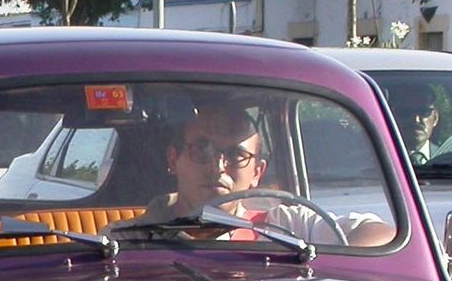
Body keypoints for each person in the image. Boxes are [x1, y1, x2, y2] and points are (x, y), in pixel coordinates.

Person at [135, 101, 391, 246]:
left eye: (236, 155)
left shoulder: (286, 227)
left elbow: (380, 233)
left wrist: (328, 272)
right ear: (173, 159)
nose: (218, 167)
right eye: (202, 150)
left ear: (257, 172)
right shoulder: (126, 240)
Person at [384, 81, 444, 164]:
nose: (416, 120)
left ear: (435, 118)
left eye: (424, 112)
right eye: (405, 112)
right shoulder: (377, 158)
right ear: (392, 116)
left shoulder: (445, 158)